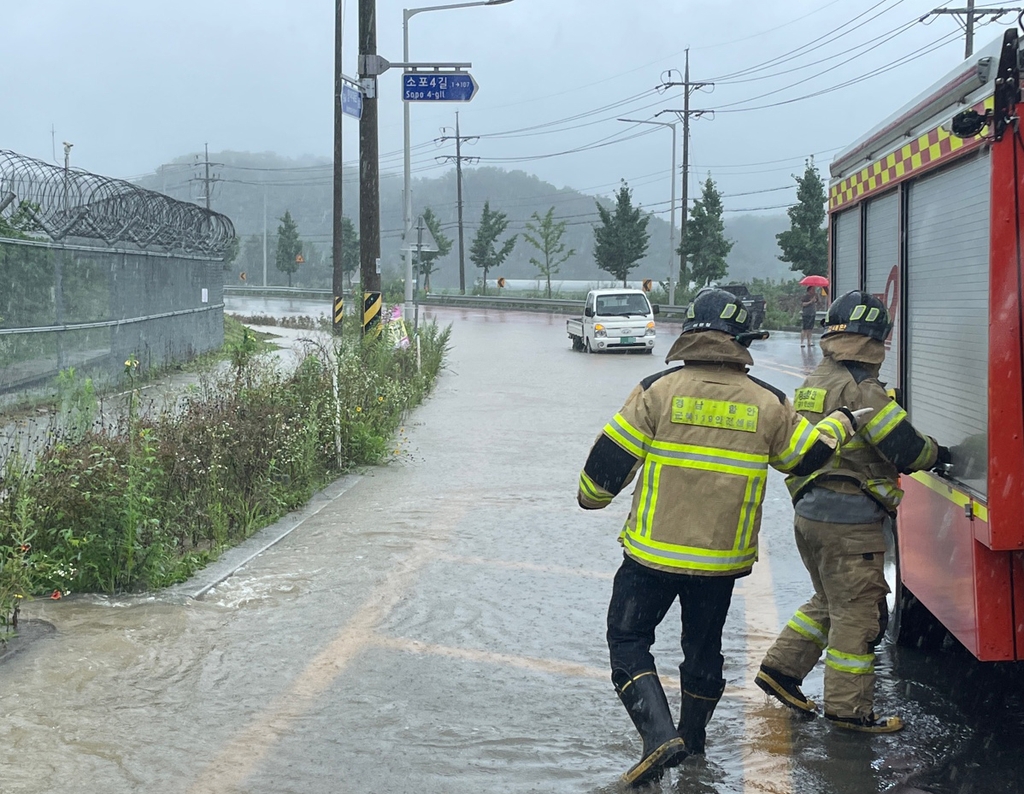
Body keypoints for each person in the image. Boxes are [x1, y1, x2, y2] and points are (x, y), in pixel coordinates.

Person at [576, 288, 871, 788]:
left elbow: (602, 475)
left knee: (628, 641)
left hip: (651, 555)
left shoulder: (657, 391)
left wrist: (591, 499)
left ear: (691, 332)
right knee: (703, 648)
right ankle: (692, 744)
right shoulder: (769, 402)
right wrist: (840, 425)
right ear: (742, 340)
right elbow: (805, 460)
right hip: (720, 561)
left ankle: (657, 737)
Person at [755, 290, 951, 733]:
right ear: (876, 340)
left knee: (830, 601)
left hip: (810, 514)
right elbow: (903, 447)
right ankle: (849, 712)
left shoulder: (817, 380)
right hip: (849, 520)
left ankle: (781, 670)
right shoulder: (862, 387)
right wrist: (941, 453)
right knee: (858, 614)